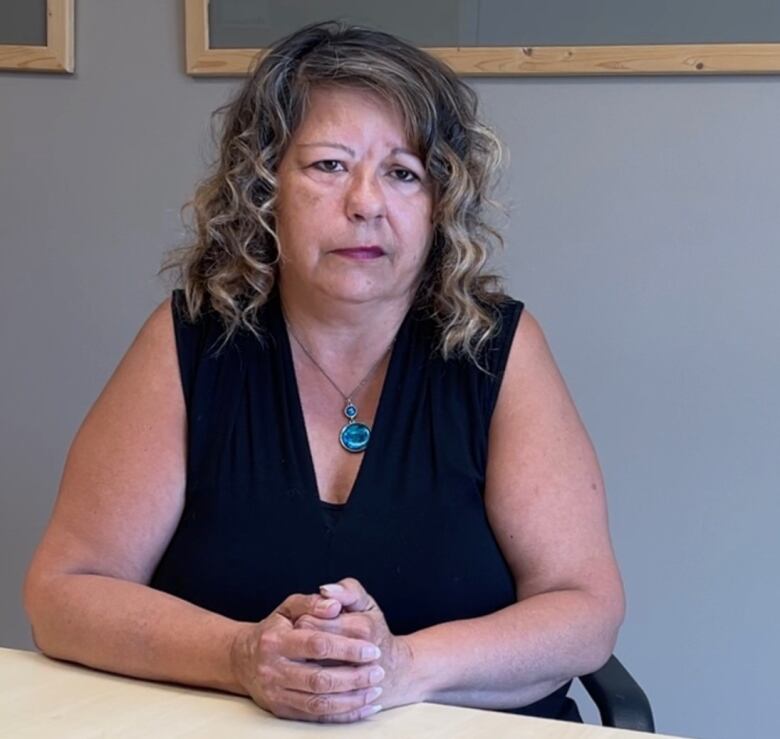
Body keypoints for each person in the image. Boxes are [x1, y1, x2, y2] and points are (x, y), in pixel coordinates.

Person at [23, 21, 624, 725]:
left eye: (403, 172)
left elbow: (585, 610)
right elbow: (64, 591)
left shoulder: (499, 349)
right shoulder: (189, 342)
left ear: (439, 205)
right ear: (263, 187)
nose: (366, 202)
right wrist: (242, 654)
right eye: (329, 165)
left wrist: (400, 667)